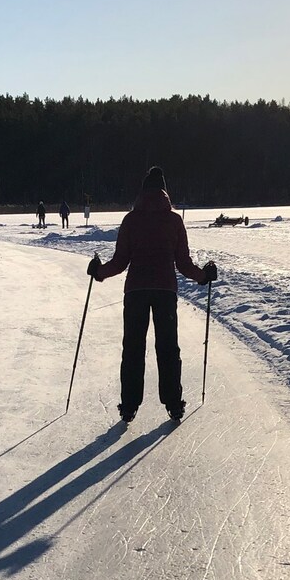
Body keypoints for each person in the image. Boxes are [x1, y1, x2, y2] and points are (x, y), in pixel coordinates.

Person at [87, 165, 216, 426]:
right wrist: (203, 276)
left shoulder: (131, 220)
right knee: (168, 347)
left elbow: (120, 261)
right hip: (165, 291)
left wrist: (99, 271)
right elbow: (183, 263)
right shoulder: (174, 221)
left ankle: (129, 406)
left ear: (143, 190)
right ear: (164, 191)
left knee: (133, 348)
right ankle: (173, 404)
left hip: (135, 291)